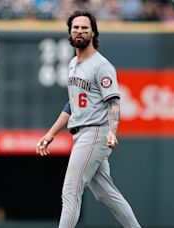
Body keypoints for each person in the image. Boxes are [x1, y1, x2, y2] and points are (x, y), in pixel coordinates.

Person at [36, 10, 142, 228]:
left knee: (70, 190)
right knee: (106, 194)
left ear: (93, 33)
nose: (80, 31)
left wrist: (112, 130)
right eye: (76, 28)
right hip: (82, 132)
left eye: (85, 28)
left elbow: (112, 102)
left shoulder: (101, 65)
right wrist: (51, 133)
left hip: (95, 131)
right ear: (70, 32)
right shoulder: (73, 63)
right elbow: (71, 106)